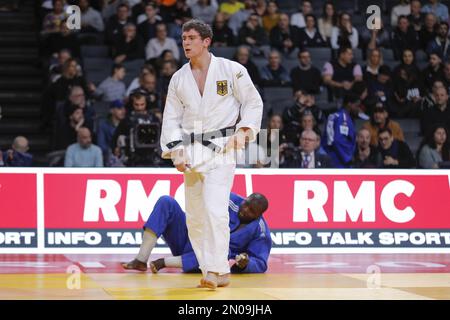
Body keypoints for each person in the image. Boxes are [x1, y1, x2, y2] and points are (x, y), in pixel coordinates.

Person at [160, 19, 263, 290]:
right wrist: (175, 150)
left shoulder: (232, 70)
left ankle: (217, 270)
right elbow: (171, 117)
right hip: (192, 150)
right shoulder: (179, 77)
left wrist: (244, 131)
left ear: (206, 41)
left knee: (215, 210)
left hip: (222, 148)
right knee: (194, 215)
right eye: (183, 38)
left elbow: (253, 102)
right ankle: (211, 269)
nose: (186, 43)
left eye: (192, 38)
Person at [122, 192, 271, 274]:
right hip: (189, 237)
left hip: (204, 260)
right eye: (246, 204)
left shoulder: (261, 231)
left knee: (221, 251)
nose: (244, 210)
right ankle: (141, 259)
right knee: (166, 202)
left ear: (259, 215)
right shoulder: (229, 199)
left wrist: (246, 263)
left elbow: (261, 262)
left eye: (251, 211)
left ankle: (165, 263)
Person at [321, 93, 360, 168]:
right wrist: (348, 158)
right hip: (338, 160)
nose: (358, 109)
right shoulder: (342, 118)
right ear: (349, 104)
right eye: (356, 106)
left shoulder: (340, 116)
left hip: (338, 158)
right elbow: (338, 140)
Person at [96, 100, 126, 165]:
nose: (123, 111)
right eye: (119, 109)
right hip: (110, 158)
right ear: (111, 111)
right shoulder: (103, 125)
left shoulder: (128, 123)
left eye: (124, 108)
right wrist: (113, 150)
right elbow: (101, 145)